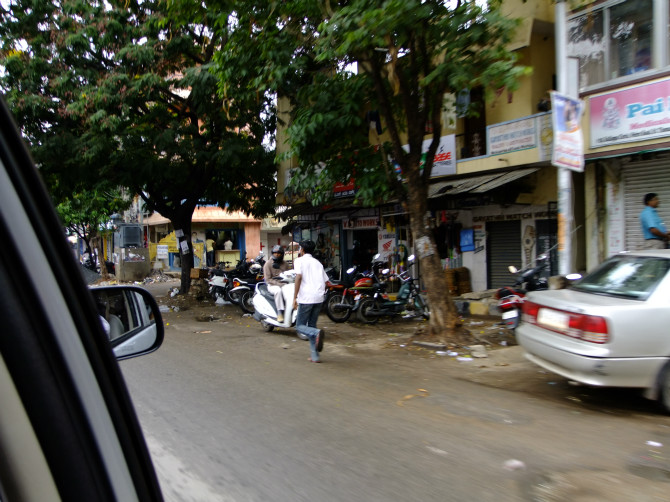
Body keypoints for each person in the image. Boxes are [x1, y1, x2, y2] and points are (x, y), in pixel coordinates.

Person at [293, 239, 329, 363]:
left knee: (300, 327)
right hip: (319, 298)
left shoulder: (299, 261)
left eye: (299, 248)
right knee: (311, 325)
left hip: (306, 297)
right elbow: (325, 281)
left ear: (302, 250)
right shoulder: (318, 263)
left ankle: (317, 332)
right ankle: (315, 356)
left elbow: (298, 277)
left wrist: (294, 297)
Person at [263, 245, 290, 323]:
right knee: (278, 291)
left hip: (285, 284)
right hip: (273, 285)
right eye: (275, 253)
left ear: (282, 254)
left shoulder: (285, 264)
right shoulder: (268, 264)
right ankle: (279, 313)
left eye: (279, 253)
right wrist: (279, 284)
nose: (277, 254)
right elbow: (268, 279)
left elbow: (289, 274)